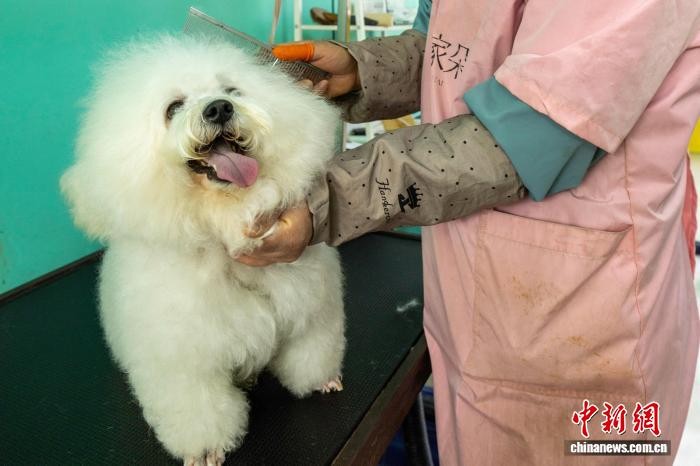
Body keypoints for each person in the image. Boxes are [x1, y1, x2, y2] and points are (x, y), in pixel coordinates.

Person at [238, 1, 700, 463]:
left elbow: (534, 130)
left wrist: (334, 198)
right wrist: (365, 71)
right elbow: (451, 48)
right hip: (476, 302)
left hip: (587, 320)